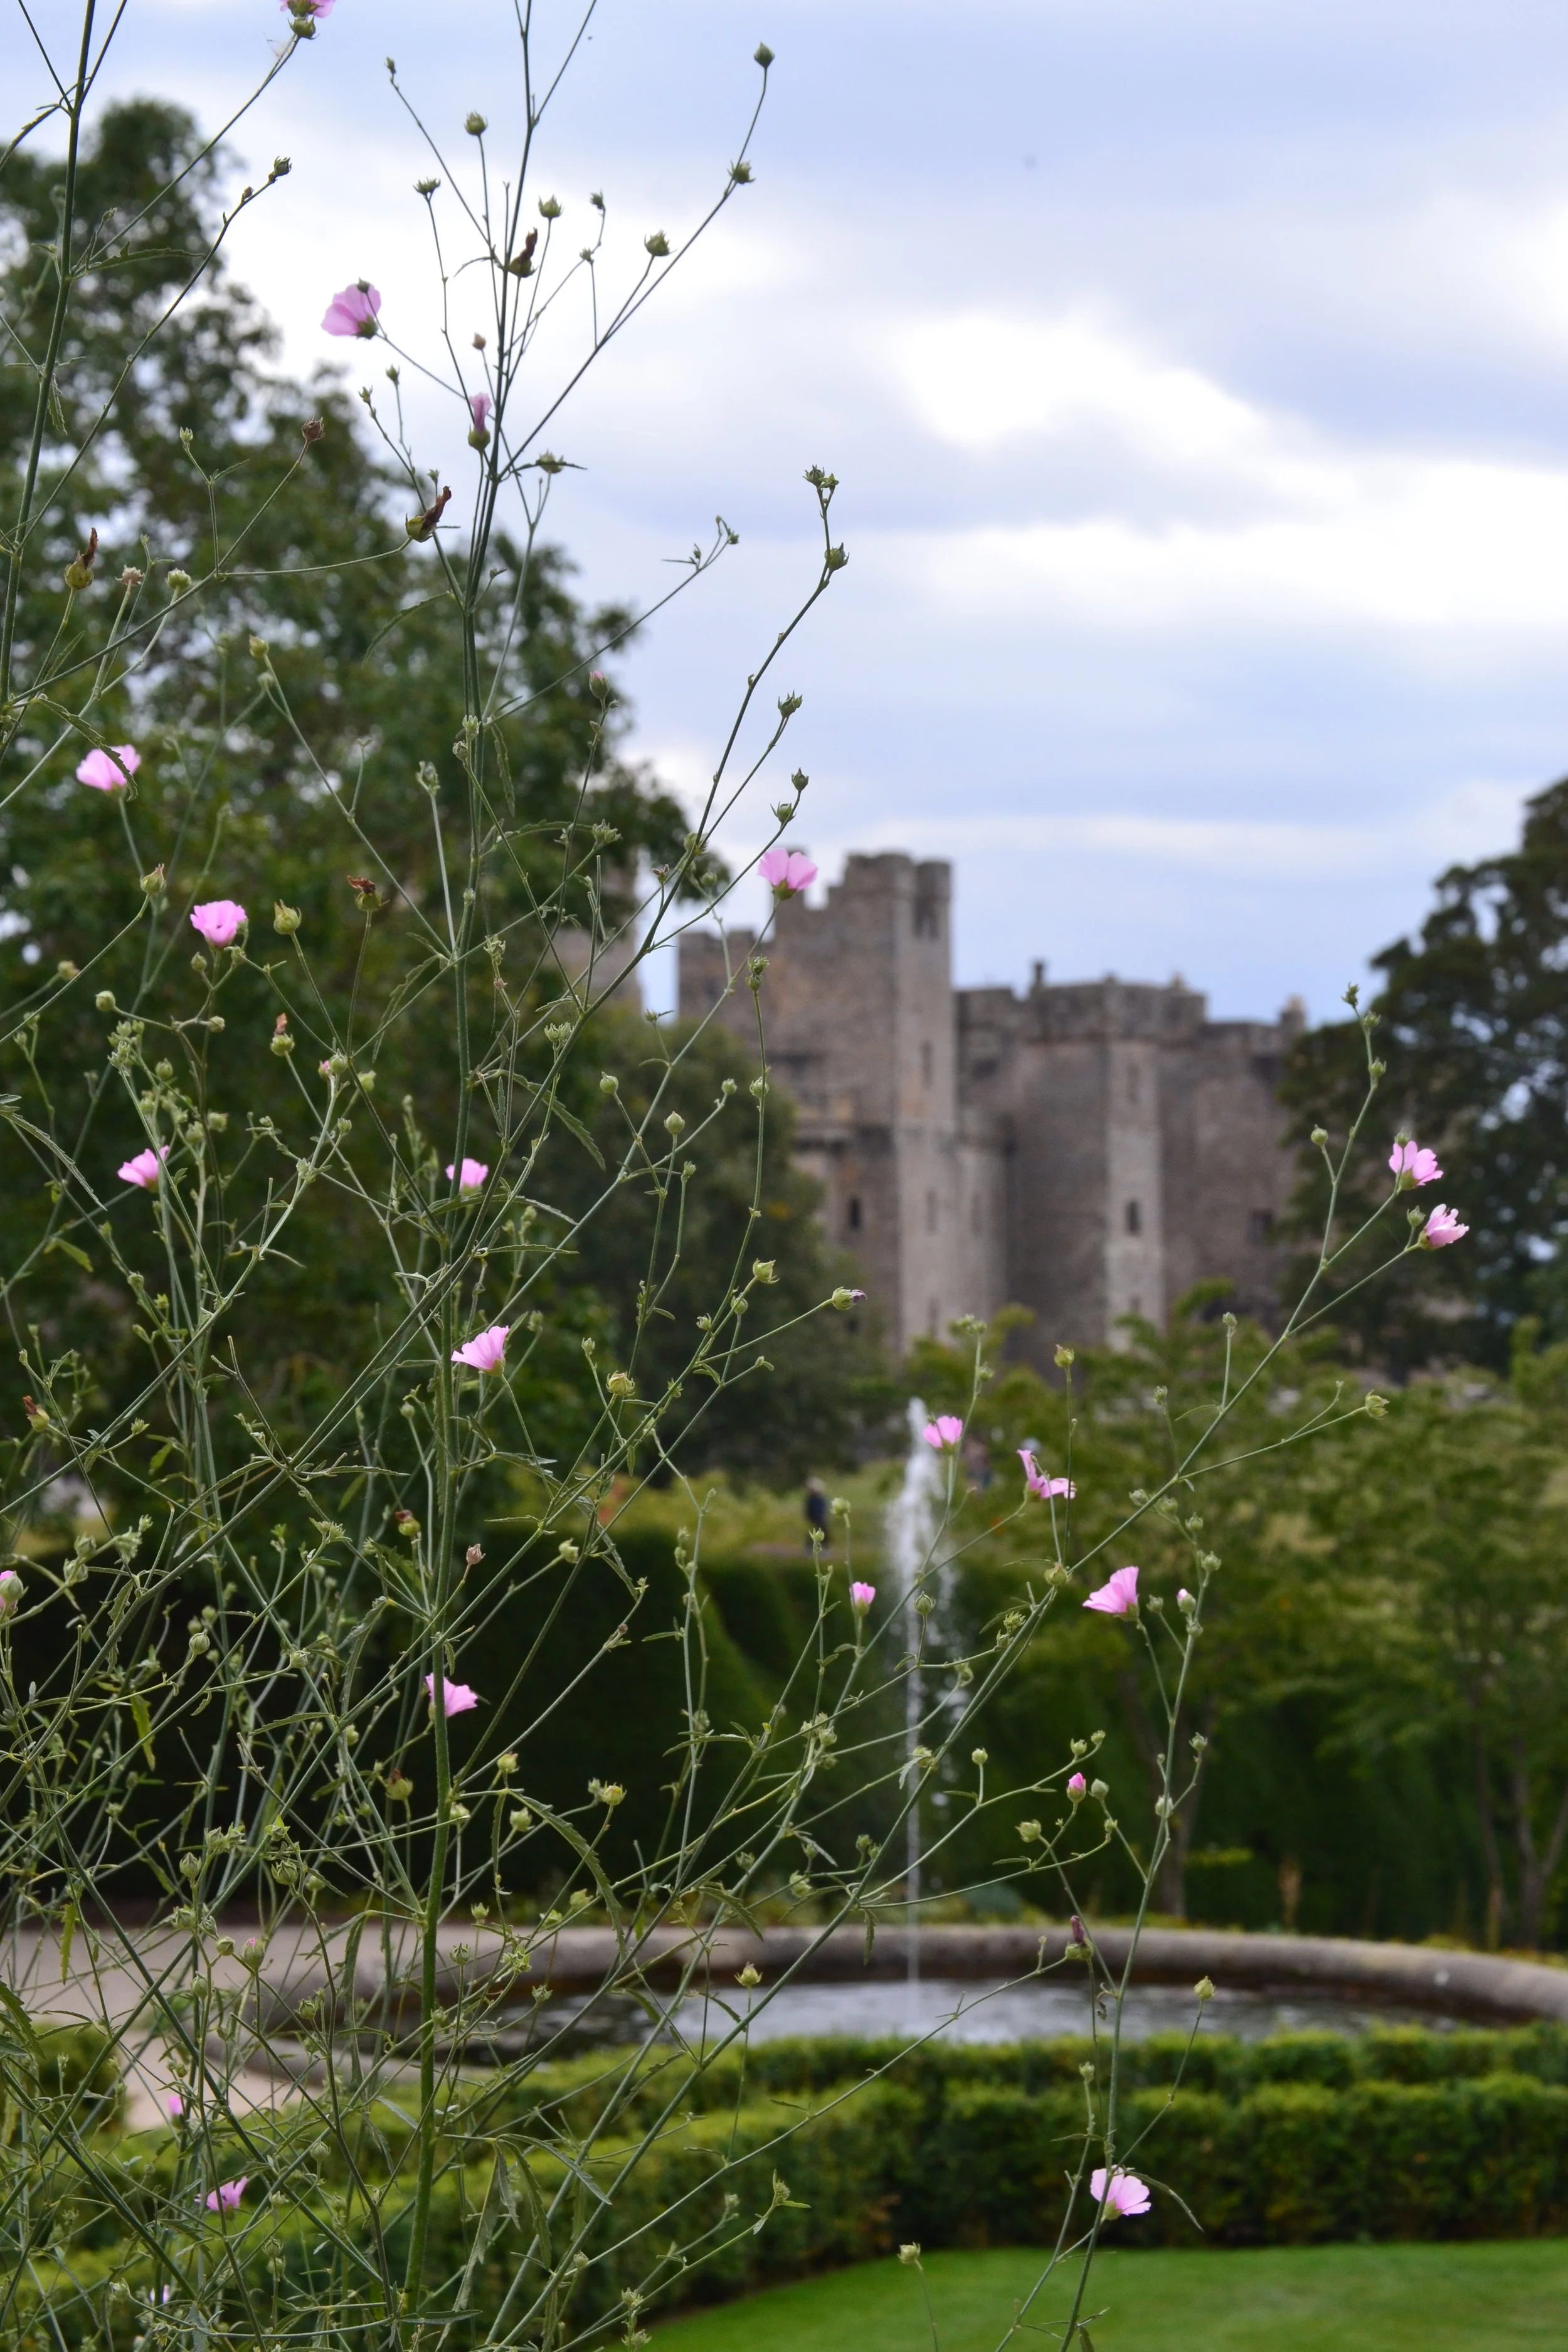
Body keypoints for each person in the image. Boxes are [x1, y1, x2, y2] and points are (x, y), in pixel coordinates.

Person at [804, 1476, 830, 1553]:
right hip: (816, 1519)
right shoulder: (813, 1499)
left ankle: (824, 1548)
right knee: (814, 1534)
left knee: (822, 1533)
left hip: (819, 1519)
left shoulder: (818, 1499)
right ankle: (811, 1548)